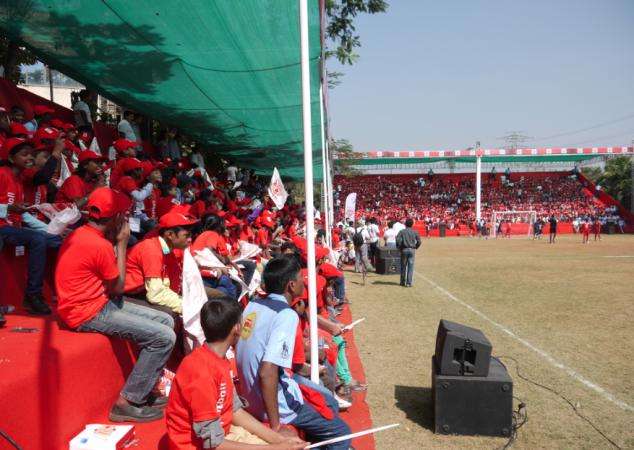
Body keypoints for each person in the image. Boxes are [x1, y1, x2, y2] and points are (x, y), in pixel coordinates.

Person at [55, 187, 176, 422]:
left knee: (166, 319)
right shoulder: (98, 244)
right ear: (118, 219)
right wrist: (121, 244)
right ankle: (128, 402)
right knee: (164, 337)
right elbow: (118, 287)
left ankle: (147, 385)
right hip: (86, 312)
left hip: (96, 301)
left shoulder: (82, 233)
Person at [236, 256, 351, 450]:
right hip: (273, 404)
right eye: (300, 278)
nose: (303, 282)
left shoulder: (253, 304)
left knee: (329, 401)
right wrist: (275, 426)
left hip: (250, 395)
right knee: (342, 433)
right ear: (291, 285)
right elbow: (267, 371)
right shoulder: (286, 315)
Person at [166, 297, 306, 449]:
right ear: (237, 328)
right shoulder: (201, 373)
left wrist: (278, 440)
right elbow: (214, 444)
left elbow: (234, 410)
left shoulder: (217, 359)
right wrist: (276, 448)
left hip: (220, 434)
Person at [0, 137, 61, 314]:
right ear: (11, 158)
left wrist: (53, 229)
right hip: (2, 228)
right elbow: (12, 209)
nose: (30, 158)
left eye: (31, 155)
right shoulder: (2, 173)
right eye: (24, 154)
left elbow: (23, 214)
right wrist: (9, 207)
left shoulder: (19, 179)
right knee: (38, 238)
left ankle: (61, 288)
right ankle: (33, 294)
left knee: (57, 241)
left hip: (15, 227)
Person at [124, 211, 199, 315]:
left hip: (142, 293)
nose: (190, 240)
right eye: (187, 235)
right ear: (169, 234)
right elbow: (155, 294)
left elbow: (167, 284)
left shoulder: (166, 249)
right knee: (169, 313)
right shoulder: (152, 249)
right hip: (126, 296)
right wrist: (185, 306)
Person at [396, 218, 421, 287]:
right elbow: (419, 241)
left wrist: (399, 248)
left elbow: (398, 241)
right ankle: (409, 283)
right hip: (412, 250)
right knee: (411, 267)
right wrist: (415, 247)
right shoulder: (415, 232)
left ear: (405, 224)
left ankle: (402, 282)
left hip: (404, 249)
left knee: (403, 266)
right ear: (412, 224)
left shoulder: (402, 231)